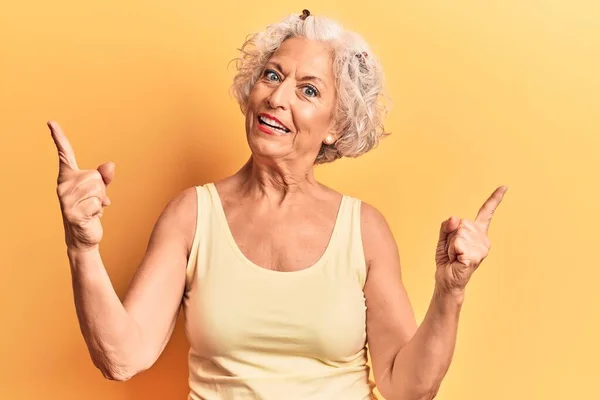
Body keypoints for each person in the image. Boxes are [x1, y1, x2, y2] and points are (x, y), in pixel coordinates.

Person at [48, 9, 507, 400]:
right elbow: (122, 358)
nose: (277, 96)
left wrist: (451, 293)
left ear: (336, 124)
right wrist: (81, 245)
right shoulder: (192, 215)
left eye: (309, 90)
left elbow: (408, 387)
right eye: (272, 75)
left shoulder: (364, 229)